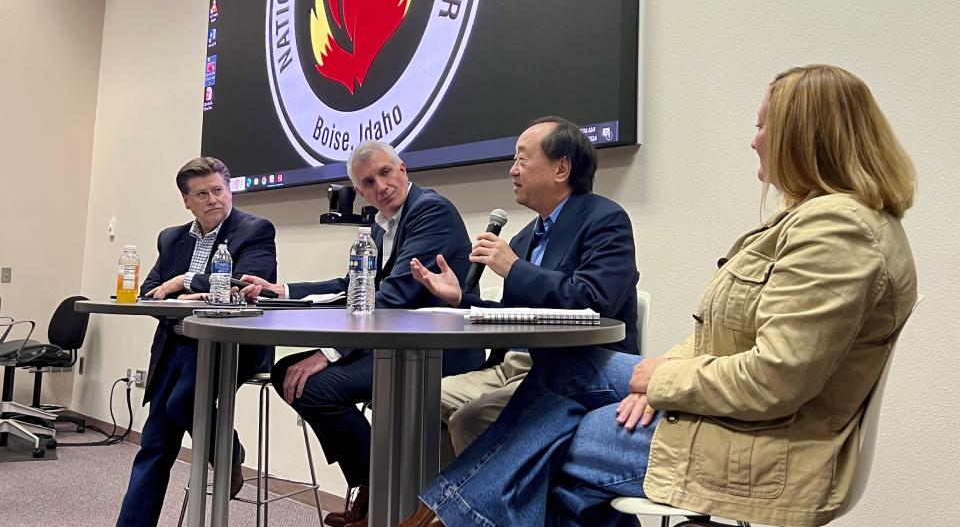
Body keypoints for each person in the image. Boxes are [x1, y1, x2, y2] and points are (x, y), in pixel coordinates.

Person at [396, 65, 918, 527]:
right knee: (561, 375)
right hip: (728, 409)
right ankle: (443, 516)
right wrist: (659, 375)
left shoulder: (837, 230)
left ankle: (438, 517)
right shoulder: (819, 219)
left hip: (769, 442)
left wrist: (662, 380)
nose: (754, 140)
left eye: (763, 125)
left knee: (540, 439)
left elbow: (775, 379)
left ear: (804, 135)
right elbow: (716, 339)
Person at [239, 140, 484, 527]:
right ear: (360, 192)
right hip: (395, 346)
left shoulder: (430, 211)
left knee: (314, 385)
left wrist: (329, 352)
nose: (380, 186)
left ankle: (376, 486)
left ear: (402, 169)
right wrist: (283, 290)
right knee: (287, 371)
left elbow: (394, 295)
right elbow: (356, 284)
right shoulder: (381, 224)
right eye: (368, 182)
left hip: (437, 352)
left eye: (385, 173)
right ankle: (374, 483)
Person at [411, 116, 640, 456]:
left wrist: (514, 268)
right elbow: (514, 316)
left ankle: (475, 508)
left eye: (521, 159)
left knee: (470, 419)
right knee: (416, 400)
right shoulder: (524, 236)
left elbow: (592, 304)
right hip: (514, 364)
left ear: (561, 168)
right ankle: (434, 505)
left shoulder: (605, 221)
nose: (512, 170)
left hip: (575, 371)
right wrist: (461, 299)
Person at [116, 157, 277, 527]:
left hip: (228, 344)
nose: (213, 199)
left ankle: (227, 451)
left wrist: (183, 282)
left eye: (219, 190)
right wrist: (178, 298)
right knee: (155, 442)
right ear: (186, 200)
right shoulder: (170, 238)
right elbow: (147, 295)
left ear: (229, 190)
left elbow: (249, 282)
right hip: (176, 343)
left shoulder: (255, 230)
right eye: (202, 194)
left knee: (181, 402)